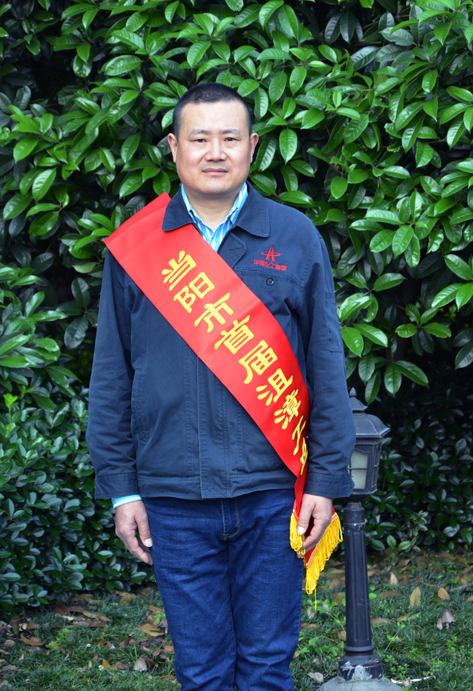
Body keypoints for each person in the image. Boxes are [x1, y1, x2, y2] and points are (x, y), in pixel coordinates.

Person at [87, 82, 356, 691]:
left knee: (266, 667)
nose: (215, 152)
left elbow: (325, 365)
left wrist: (325, 481)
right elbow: (111, 375)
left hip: (273, 495)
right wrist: (122, 489)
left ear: (252, 147)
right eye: (200, 138)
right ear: (174, 148)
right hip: (173, 498)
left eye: (230, 138)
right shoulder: (137, 247)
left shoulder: (293, 236)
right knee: (201, 671)